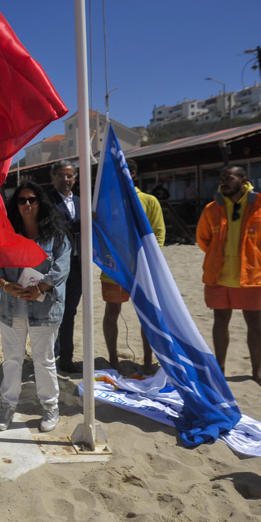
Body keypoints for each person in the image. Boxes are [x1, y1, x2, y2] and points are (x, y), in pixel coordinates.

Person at [196, 165, 261, 389]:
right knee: (220, 322)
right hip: (219, 276)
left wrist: (260, 260)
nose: (224, 182)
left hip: (251, 277)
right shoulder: (212, 208)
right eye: (221, 178)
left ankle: (257, 372)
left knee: (254, 323)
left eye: (229, 178)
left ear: (243, 180)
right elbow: (203, 239)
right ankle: (220, 370)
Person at [0, 181, 70, 432]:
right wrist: (5, 285)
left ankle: (50, 407)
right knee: (12, 360)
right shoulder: (7, 235)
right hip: (12, 308)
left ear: (40, 203)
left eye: (32, 199)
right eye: (22, 200)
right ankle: (7, 406)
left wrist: (41, 288)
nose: (27, 204)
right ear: (16, 205)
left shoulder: (56, 235)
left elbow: (62, 267)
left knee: (44, 361)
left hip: (44, 309)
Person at [101, 158, 166, 375]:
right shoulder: (105, 201)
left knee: (147, 315)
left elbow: (158, 233)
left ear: (134, 173)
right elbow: (99, 232)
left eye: (124, 171)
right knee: (112, 312)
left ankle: (147, 361)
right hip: (113, 268)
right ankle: (113, 359)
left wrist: (148, 261)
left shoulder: (149, 200)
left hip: (142, 269)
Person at [46, 162, 82, 373]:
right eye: (61, 175)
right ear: (53, 178)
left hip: (78, 266)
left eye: (69, 176)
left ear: (75, 178)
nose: (65, 180)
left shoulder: (81, 201)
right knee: (52, 312)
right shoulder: (46, 202)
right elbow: (51, 227)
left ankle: (66, 359)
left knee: (70, 313)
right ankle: (50, 355)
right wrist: (78, 225)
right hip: (56, 266)